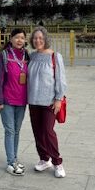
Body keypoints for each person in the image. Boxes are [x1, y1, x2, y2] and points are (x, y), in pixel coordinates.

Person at [28, 26, 67, 178]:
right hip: (33, 100)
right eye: (35, 38)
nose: (37, 40)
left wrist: (59, 99)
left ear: (45, 39)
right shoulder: (31, 56)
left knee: (48, 131)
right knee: (37, 132)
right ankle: (44, 159)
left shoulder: (55, 56)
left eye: (40, 38)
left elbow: (61, 79)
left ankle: (57, 162)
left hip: (49, 101)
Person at [0, 28, 29, 176]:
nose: (20, 40)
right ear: (11, 39)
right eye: (17, 37)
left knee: (17, 131)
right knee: (10, 130)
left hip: (22, 100)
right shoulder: (4, 55)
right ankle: (10, 163)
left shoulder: (26, 55)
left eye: (22, 38)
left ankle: (14, 158)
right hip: (7, 100)